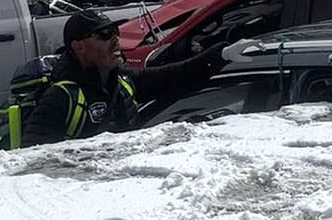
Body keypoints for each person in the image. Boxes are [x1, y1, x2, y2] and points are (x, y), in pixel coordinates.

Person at [26, 11, 224, 144]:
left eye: (115, 32)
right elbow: (32, 162)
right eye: (104, 34)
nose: (115, 40)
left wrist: (221, 55)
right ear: (79, 47)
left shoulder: (122, 81)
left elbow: (176, 76)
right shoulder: (60, 96)